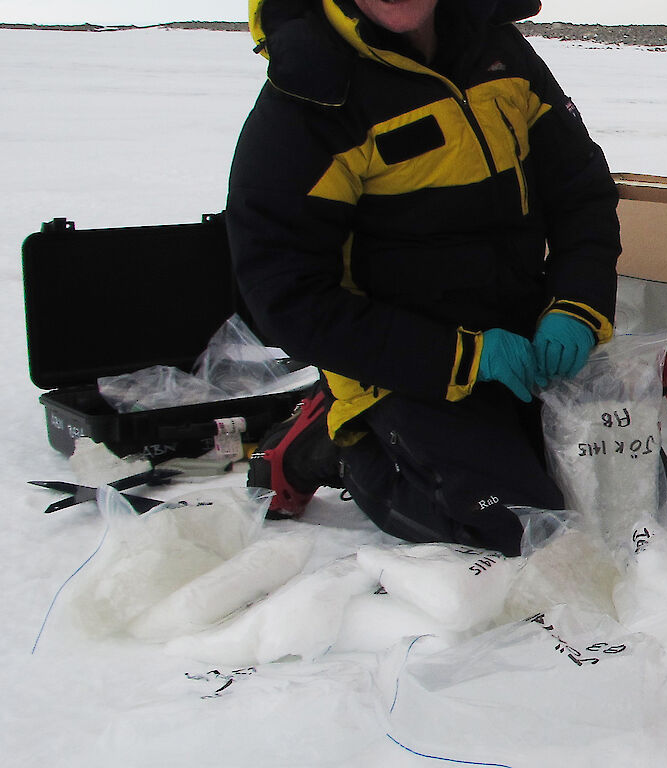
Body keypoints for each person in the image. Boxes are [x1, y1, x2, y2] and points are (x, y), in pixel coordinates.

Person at [228, 0, 620, 556]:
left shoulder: (499, 52)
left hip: (521, 340)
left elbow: (582, 193)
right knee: (510, 529)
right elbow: (286, 297)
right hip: (403, 363)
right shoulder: (311, 95)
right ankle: (340, 438)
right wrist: (464, 359)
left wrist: (576, 304)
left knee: (625, 491)